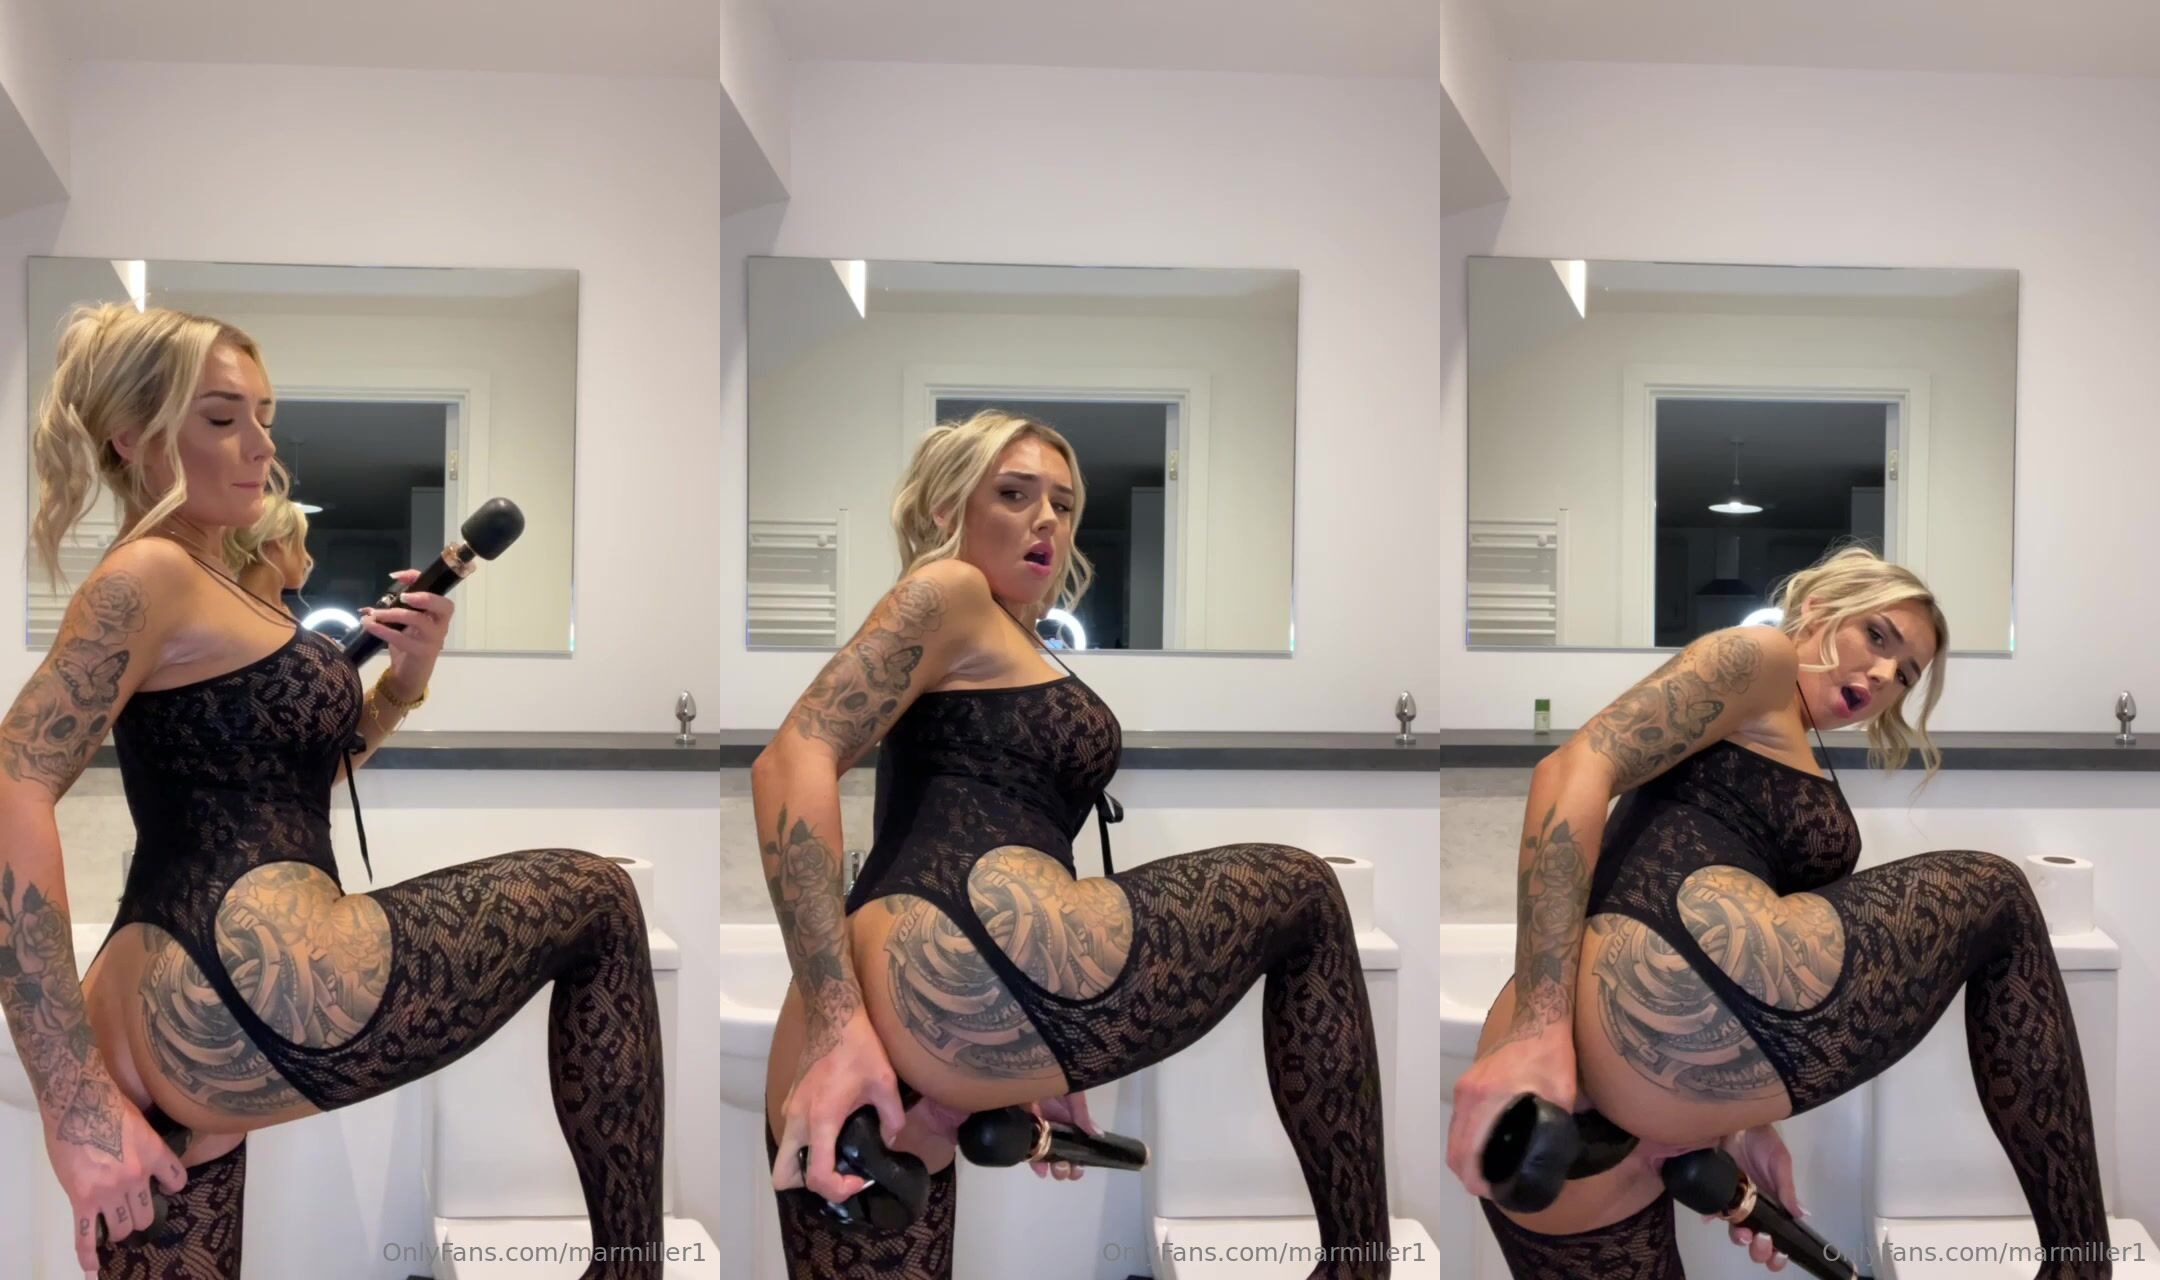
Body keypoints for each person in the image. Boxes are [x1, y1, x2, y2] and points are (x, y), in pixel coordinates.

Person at [0, 303, 664, 1279]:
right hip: (247, 980)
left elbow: (284, 776)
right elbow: (12, 785)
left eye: (264, 417)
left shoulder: (208, 575)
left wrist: (403, 683)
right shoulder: (150, 571)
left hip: (184, 994)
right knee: (597, 899)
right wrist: (74, 1105)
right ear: (133, 438)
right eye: (221, 417)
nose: (260, 445)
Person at [756, 410, 1393, 1278]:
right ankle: (1359, 1265)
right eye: (1014, 494)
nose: (1046, 520)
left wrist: (1018, 1054)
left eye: (1062, 503)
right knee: (1306, 895)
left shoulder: (994, 632)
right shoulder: (949, 590)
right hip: (931, 976)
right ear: (947, 507)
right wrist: (841, 1026)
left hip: (898, 998)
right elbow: (792, 758)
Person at [1446, 546, 2109, 1279]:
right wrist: (1538, 1029)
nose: (1883, 676)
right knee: (1998, 895)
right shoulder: (1760, 658)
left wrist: (1742, 1121)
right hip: (1591, 1044)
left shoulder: (1782, 729)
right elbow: (1573, 767)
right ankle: (2081, 1266)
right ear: (1818, 610)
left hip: (1580, 1123)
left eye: (1906, 674)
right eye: (1877, 636)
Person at [225, 494, 313, 615]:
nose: (307, 558)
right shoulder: (247, 617)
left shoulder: (228, 608)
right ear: (281, 540)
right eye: (300, 542)